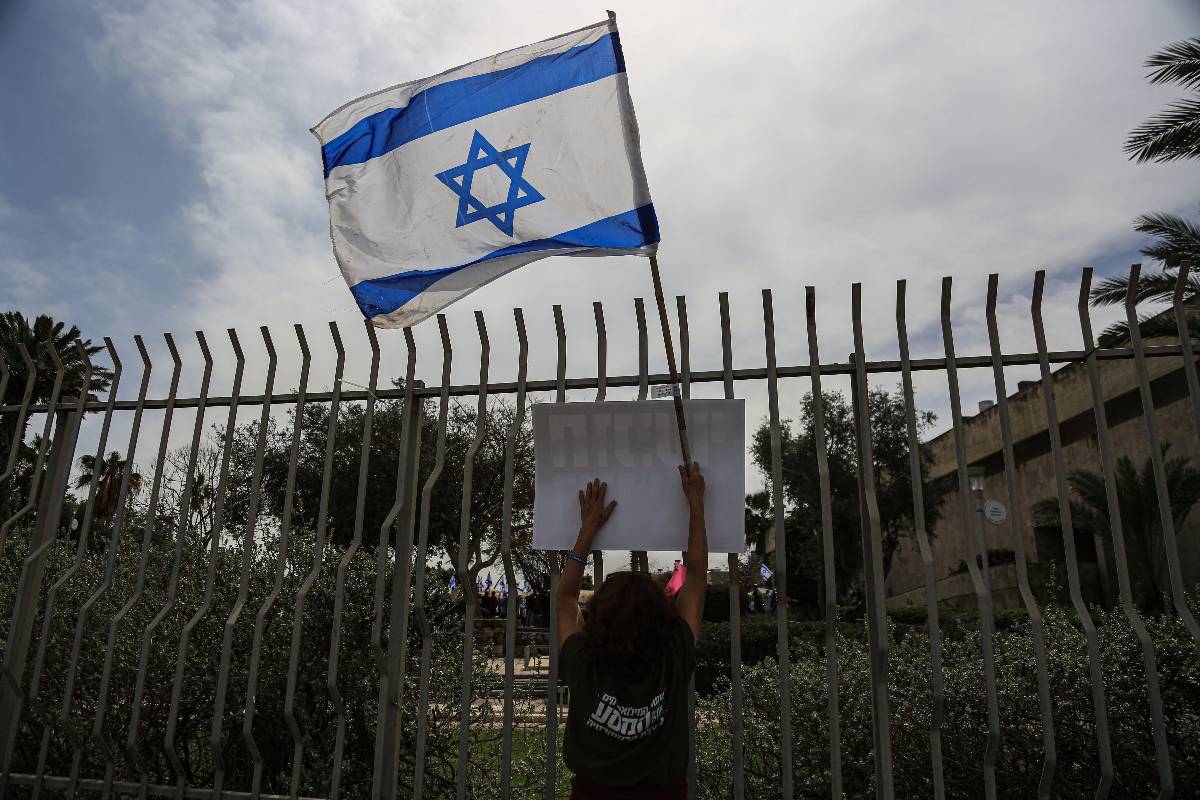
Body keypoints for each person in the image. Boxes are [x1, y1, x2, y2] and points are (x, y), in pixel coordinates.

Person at [556, 463, 707, 800]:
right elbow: (696, 578)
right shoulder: (673, 653)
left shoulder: (583, 662)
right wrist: (696, 505)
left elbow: (565, 597)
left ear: (598, 616)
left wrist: (587, 530)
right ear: (661, 615)